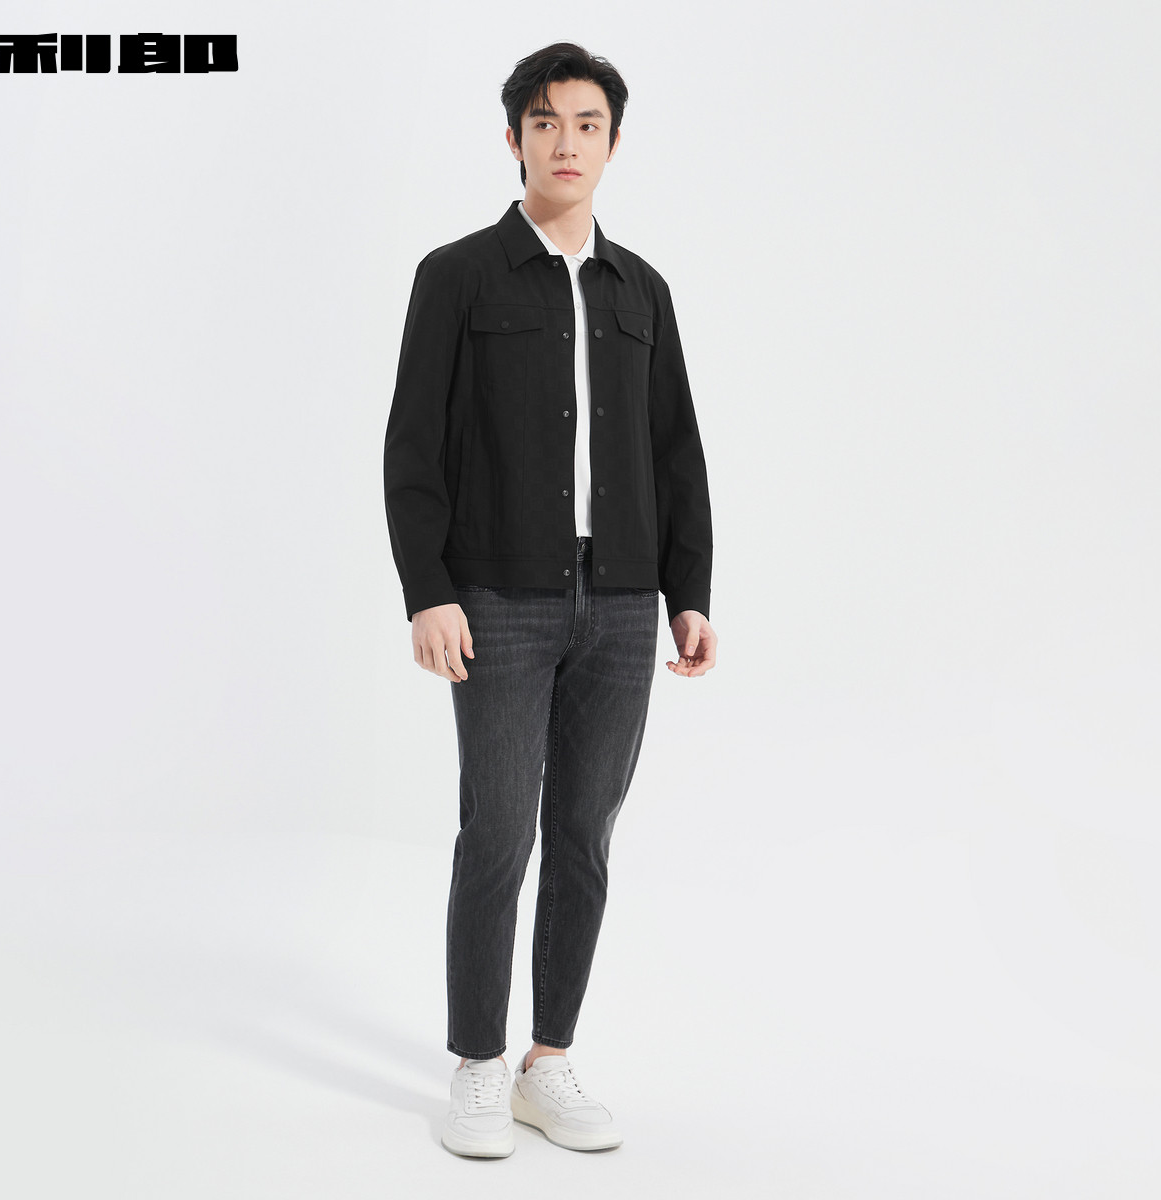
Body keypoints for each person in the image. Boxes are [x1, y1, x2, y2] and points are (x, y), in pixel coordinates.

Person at [382, 41, 717, 1158]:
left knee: (583, 833)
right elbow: (411, 446)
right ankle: (478, 1064)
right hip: (498, 597)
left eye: (586, 124)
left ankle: (547, 1061)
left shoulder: (642, 292)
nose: (565, 142)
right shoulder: (457, 276)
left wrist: (688, 591)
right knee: (498, 830)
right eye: (544, 121)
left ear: (613, 144)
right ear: (514, 138)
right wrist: (428, 592)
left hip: (622, 602)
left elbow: (676, 451)